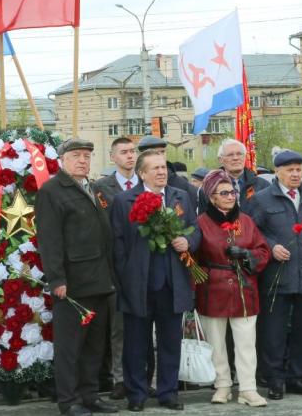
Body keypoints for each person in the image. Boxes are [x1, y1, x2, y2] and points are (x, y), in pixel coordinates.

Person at [110, 149, 200, 412]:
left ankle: (168, 393)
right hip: (137, 283)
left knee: (171, 342)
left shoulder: (180, 196)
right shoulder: (124, 201)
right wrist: (125, 276)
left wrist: (188, 242)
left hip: (173, 282)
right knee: (136, 344)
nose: (162, 172)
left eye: (164, 167)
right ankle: (136, 394)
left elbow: (196, 230)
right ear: (142, 173)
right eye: (156, 168)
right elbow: (116, 244)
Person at [246, 150, 302, 400]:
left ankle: (297, 377)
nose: (296, 174)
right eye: (290, 170)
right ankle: (274, 379)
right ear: (278, 172)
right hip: (277, 276)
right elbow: (252, 233)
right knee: (273, 331)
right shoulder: (262, 199)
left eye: (299, 169)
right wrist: (271, 245)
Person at [35, 138, 117, 416]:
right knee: (70, 348)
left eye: (87, 155)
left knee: (95, 346)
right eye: (76, 155)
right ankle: (68, 401)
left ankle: (89, 395)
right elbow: (50, 239)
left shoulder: (92, 188)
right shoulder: (52, 191)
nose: (83, 160)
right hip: (72, 284)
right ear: (62, 160)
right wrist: (56, 279)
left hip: (100, 280)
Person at [194, 170, 270, 407]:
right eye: (224, 192)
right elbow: (192, 257)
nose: (230, 196)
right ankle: (223, 385)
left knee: (246, 342)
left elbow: (263, 250)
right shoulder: (201, 223)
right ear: (212, 197)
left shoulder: (246, 221)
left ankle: (248, 388)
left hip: (244, 288)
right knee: (215, 342)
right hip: (212, 288)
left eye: (232, 192)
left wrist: (247, 254)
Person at [92, 136, 138, 400]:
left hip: (142, 265)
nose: (130, 156)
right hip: (112, 268)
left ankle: (142, 376)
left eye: (133, 152)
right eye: (124, 152)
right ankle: (119, 378)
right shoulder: (101, 188)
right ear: (113, 158)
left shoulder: (145, 185)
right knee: (118, 327)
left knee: (142, 326)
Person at [198, 139, 269, 212]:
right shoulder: (208, 188)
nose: (235, 158)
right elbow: (203, 220)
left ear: (245, 157)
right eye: (230, 155)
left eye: (239, 154)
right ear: (220, 160)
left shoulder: (263, 186)